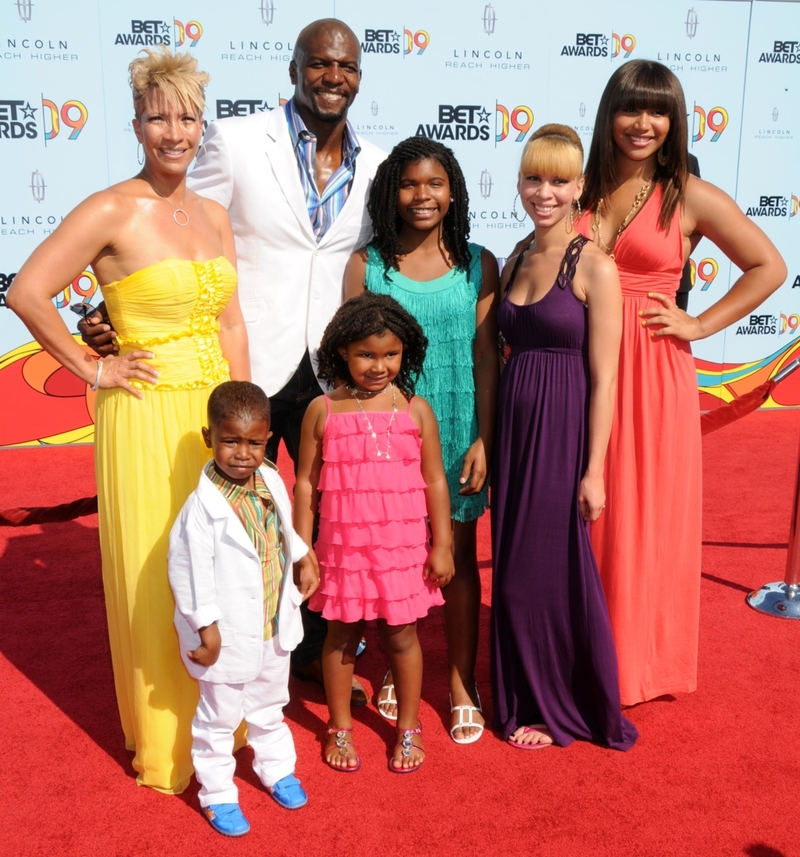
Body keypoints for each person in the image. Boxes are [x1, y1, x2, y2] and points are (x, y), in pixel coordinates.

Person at [80, 19, 386, 704]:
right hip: (245, 359)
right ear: (294, 69)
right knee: (237, 516)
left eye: (346, 67)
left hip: (331, 364)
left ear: (360, 77)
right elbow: (174, 223)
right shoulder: (240, 139)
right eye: (319, 64)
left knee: (327, 513)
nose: (332, 77)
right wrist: (112, 312)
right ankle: (236, 654)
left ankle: (309, 649)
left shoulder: (378, 162)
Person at [7, 48, 249, 792]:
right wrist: (93, 366)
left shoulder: (211, 213)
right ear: (136, 123)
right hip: (143, 414)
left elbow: (231, 319)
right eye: (158, 116)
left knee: (222, 568)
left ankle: (223, 726)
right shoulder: (110, 207)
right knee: (158, 570)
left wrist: (246, 420)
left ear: (201, 125)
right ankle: (169, 742)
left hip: (210, 415)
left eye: (186, 117)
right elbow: (26, 291)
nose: (173, 131)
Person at [577, 60, 786, 706]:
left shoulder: (688, 194)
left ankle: (631, 664)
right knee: (584, 511)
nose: (643, 124)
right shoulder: (581, 186)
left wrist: (699, 322)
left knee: (637, 513)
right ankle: (577, 650)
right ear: (608, 114)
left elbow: (768, 266)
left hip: (652, 365)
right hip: (581, 364)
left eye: (657, 111)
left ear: (674, 122)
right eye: (630, 109)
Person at [343, 137, 499, 743]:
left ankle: (463, 681)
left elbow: (487, 357)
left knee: (456, 555)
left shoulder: (480, 263)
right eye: (409, 184)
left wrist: (485, 436)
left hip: (459, 429)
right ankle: (395, 662)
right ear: (391, 192)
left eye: (434, 183)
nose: (422, 195)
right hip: (387, 436)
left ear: (453, 190)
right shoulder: (368, 264)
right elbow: (347, 359)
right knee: (396, 558)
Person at [490, 124, 637, 751]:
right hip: (514, 431)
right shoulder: (514, 256)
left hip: (561, 431)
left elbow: (606, 380)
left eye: (557, 180)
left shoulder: (595, 267)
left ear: (580, 188)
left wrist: (593, 468)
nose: (543, 191)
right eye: (533, 178)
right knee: (511, 566)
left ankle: (558, 705)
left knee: (544, 570)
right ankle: (520, 692)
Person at [294, 293, 455, 772]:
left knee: (403, 636)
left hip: (401, 549)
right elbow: (304, 484)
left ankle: (408, 727)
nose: (379, 366)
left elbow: (435, 480)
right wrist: (303, 551)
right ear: (342, 350)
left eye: (390, 355)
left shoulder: (416, 410)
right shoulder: (322, 410)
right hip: (342, 550)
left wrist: (443, 544)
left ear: (405, 353)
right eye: (367, 354)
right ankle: (338, 727)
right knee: (340, 637)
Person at [168, 382, 318, 837]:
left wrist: (303, 556)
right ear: (207, 437)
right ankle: (216, 793)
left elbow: (284, 528)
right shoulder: (199, 511)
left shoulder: (271, 477)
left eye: (254, 442)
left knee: (272, 705)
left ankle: (276, 769)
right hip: (226, 636)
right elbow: (188, 576)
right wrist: (206, 630)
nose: (242, 453)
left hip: (274, 622)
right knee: (218, 719)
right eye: (230, 440)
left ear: (269, 438)